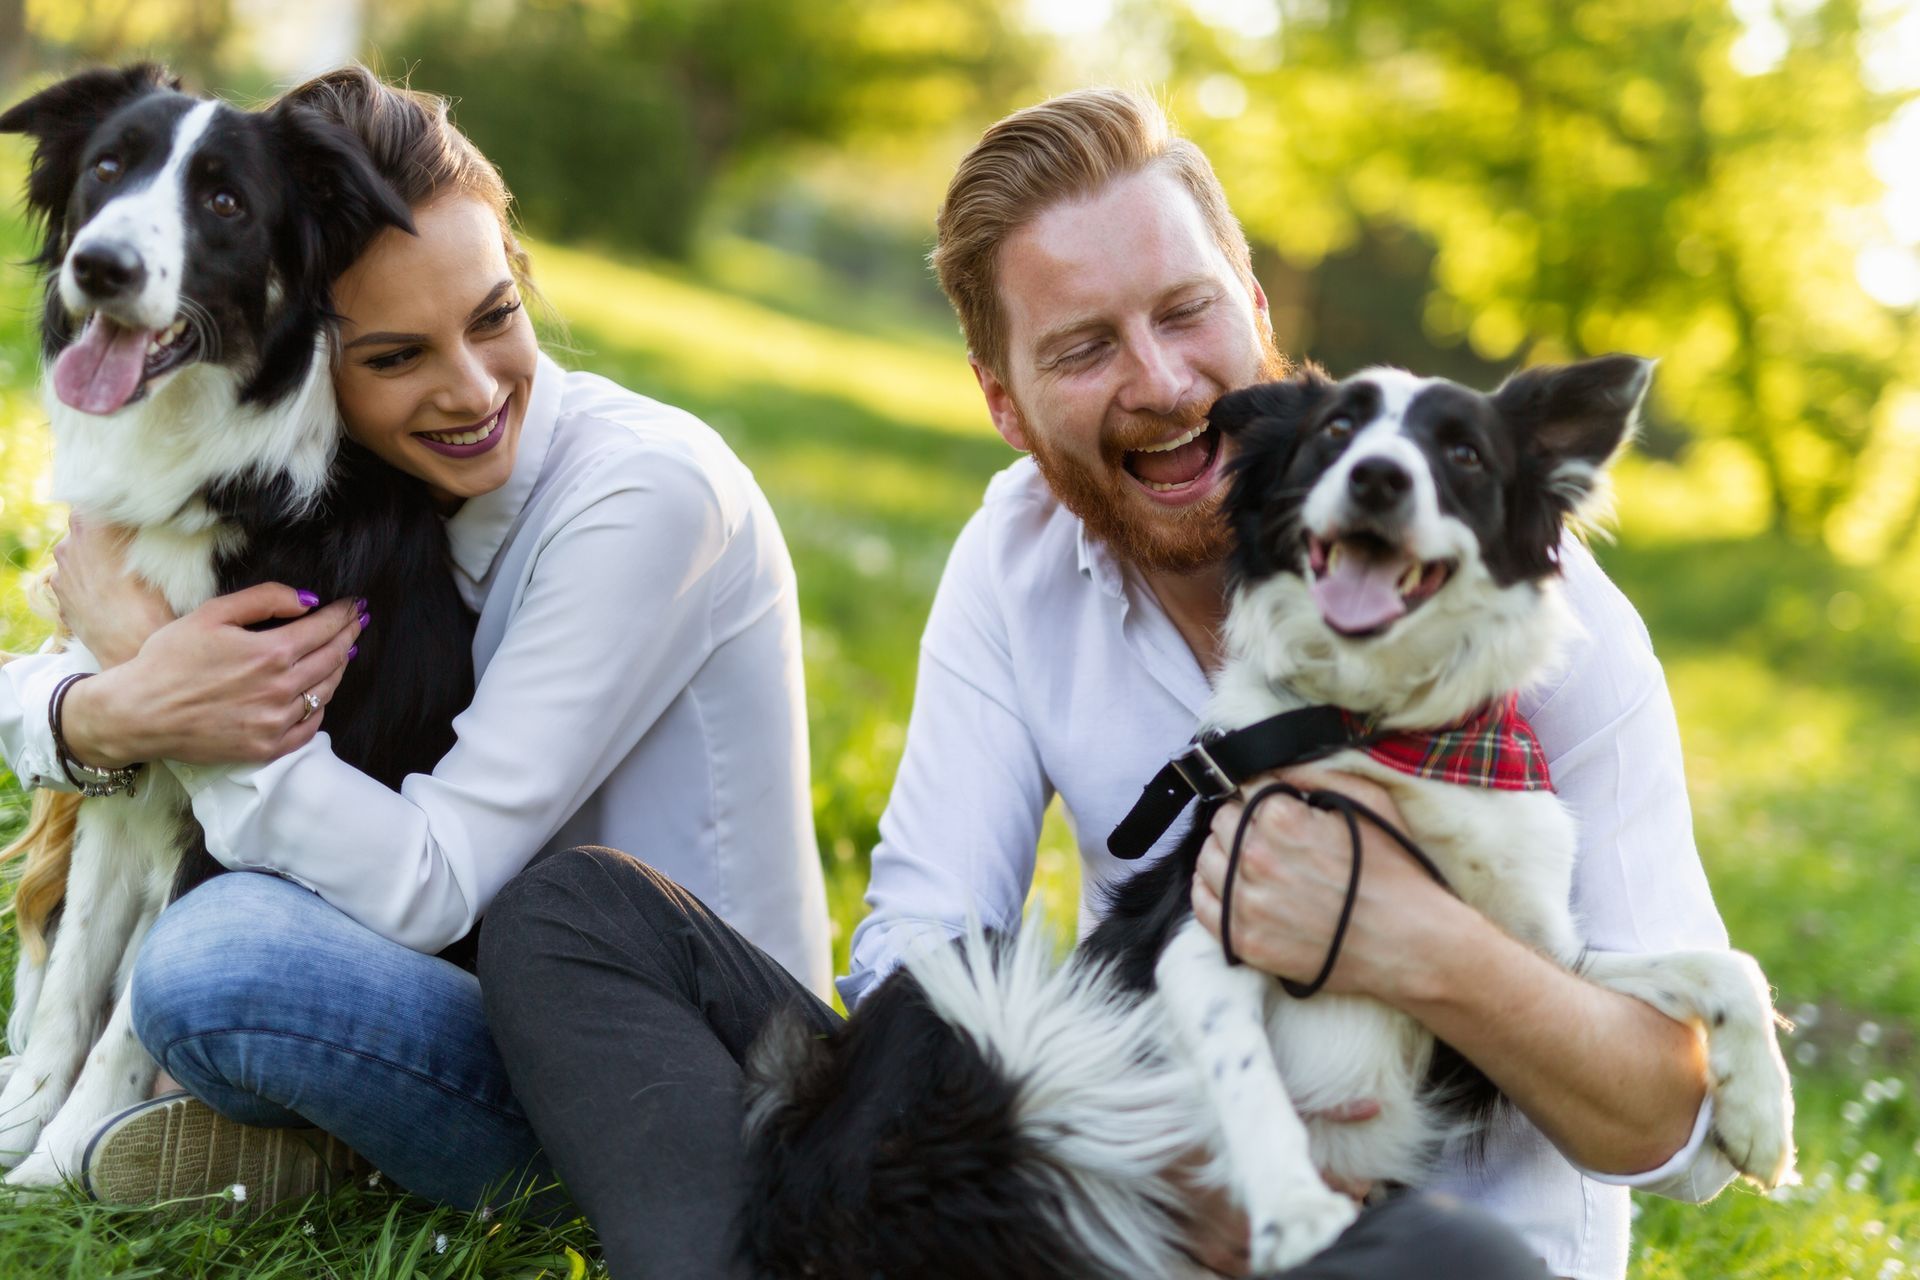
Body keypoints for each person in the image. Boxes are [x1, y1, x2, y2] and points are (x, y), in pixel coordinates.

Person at [477, 89, 1715, 1280]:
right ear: (1003, 401)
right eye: (1084, 347)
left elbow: (1673, 1127)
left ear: (1255, 302)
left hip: (1395, 1235)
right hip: (1097, 1174)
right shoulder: (1019, 558)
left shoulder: (1532, 609)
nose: (1166, 383)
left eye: (1187, 311)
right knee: (577, 917)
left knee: (1465, 1264)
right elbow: (927, 940)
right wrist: (1168, 1171)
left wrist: (1413, 939)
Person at [0, 64, 830, 1211]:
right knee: (160, 921)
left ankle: (320, 1146)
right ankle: (266, 1126)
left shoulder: (646, 492)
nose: (473, 389)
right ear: (305, 364)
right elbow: (71, 703)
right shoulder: (348, 498)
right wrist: (103, 704)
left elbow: (433, 881)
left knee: (222, 956)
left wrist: (166, 685)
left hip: (694, 1086)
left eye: (497, 316)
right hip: (478, 990)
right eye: (394, 357)